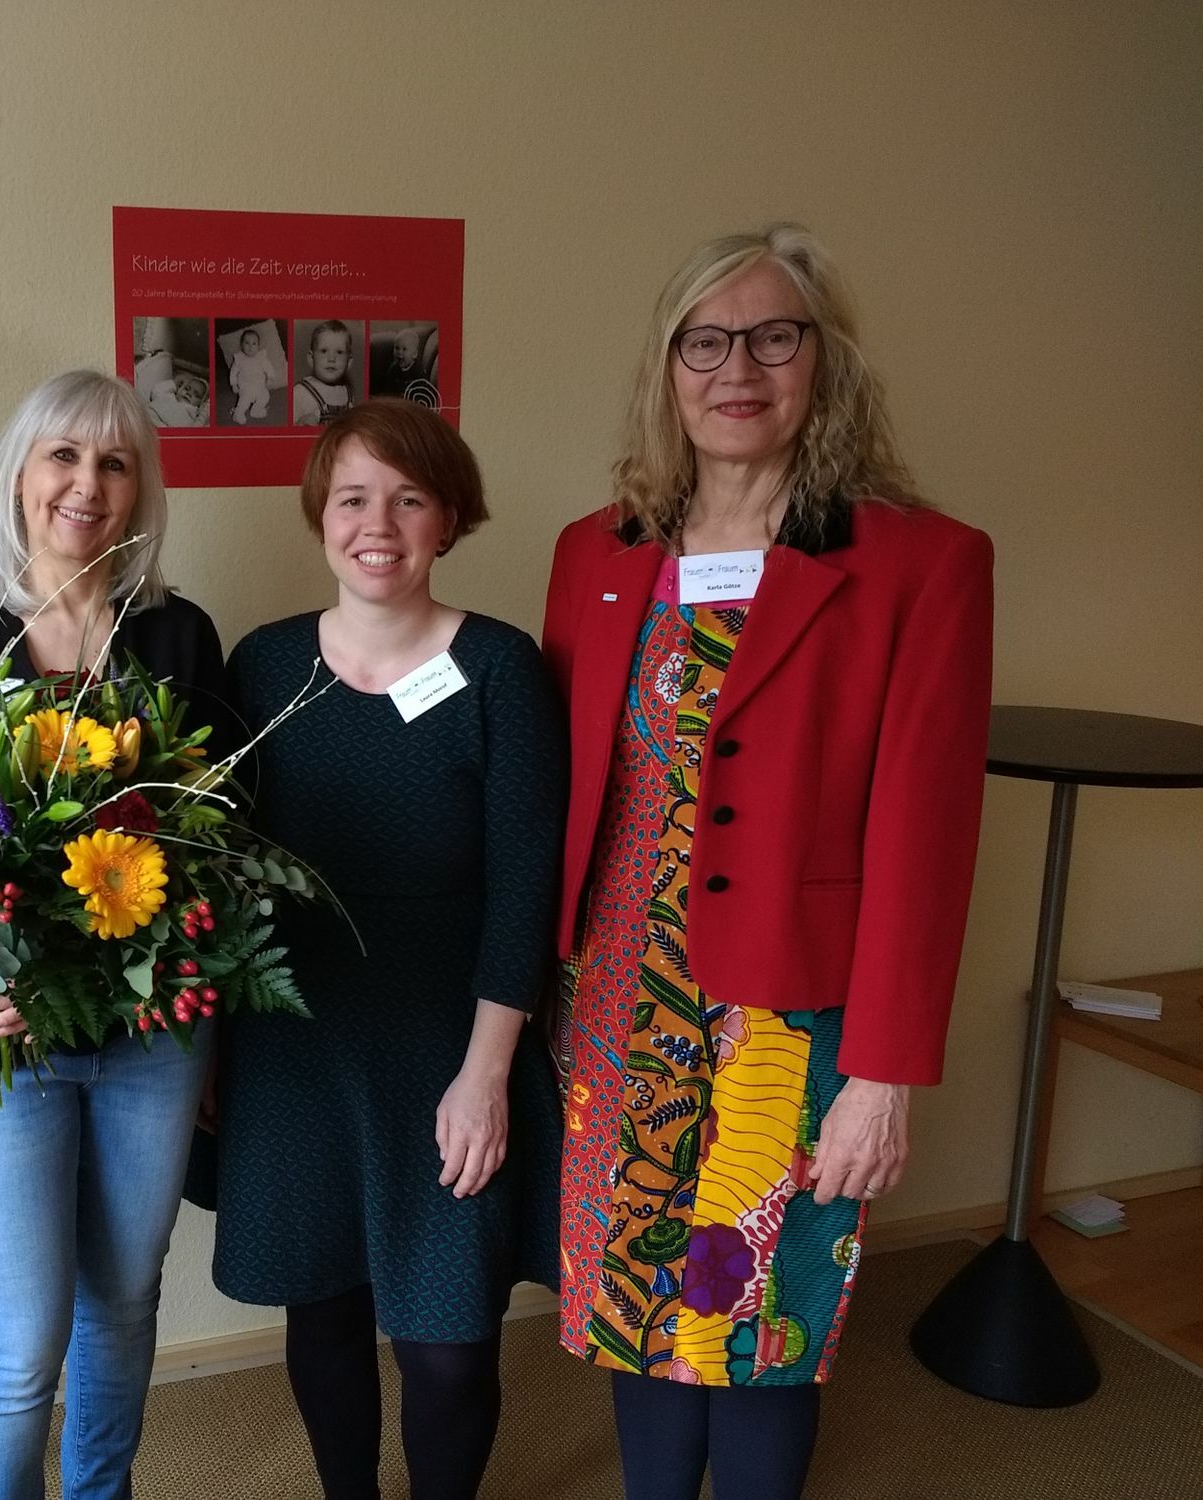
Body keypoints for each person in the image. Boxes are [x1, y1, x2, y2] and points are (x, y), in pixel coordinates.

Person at [542, 223, 993, 1500]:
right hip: (616, 1009)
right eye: (704, 342)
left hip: (791, 1027)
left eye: (772, 337)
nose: (736, 369)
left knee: (756, 1324)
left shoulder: (919, 564)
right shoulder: (596, 552)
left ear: (823, 362)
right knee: (632, 1305)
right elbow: (560, 798)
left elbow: (927, 841)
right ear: (666, 368)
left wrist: (881, 1076)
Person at [212, 399, 567, 1499]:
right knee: (322, 1310)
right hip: (294, 1040)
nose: (378, 524)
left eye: (409, 499)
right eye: (353, 498)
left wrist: (486, 1076)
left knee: (446, 1343)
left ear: (448, 519)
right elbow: (218, 871)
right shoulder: (262, 664)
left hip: (448, 1045)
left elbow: (525, 885)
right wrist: (213, 1052)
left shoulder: (501, 668)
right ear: (320, 515)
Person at [0, 369, 229, 1500]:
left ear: (140, 489)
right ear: (20, 475)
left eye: (113, 462)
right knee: (19, 1338)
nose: (86, 484)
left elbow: (218, 850)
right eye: (63, 456)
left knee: (124, 1301)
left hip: (148, 1042)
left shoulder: (178, 636)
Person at [293, 320, 357, 426]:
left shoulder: (348, 394)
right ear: (311, 359)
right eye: (323, 351)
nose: (331, 358)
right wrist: (299, 424)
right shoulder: (300, 392)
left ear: (349, 362)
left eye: (339, 352)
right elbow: (285, 430)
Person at [229, 325, 272, 424]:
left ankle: (256, 410)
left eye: (254, 343)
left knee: (265, 396)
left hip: (259, 387)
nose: (250, 346)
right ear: (242, 345)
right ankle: (238, 414)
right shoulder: (239, 359)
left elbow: (268, 367)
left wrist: (270, 377)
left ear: (258, 346)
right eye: (247, 343)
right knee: (244, 401)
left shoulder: (261, 358)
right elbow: (233, 372)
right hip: (245, 388)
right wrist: (234, 384)